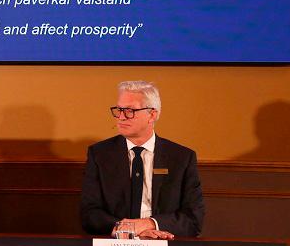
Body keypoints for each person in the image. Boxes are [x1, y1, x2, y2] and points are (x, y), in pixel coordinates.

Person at [80, 81, 205, 239]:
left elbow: (193, 219)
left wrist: (150, 224)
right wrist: (130, 230)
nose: (121, 117)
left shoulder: (181, 158)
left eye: (130, 110)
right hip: (116, 241)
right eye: (119, 110)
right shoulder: (99, 154)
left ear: (152, 115)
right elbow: (89, 214)